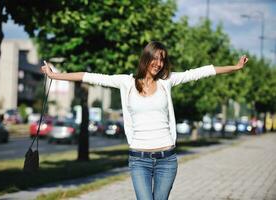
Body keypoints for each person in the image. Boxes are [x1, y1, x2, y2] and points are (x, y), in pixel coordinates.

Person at [41, 41, 248, 200]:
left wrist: (235, 67)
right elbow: (89, 76)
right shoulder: (126, 83)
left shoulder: (166, 82)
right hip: (139, 159)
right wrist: (55, 76)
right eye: (155, 58)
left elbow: (201, 72)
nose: (158, 64)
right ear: (146, 58)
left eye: (162, 59)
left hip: (166, 160)